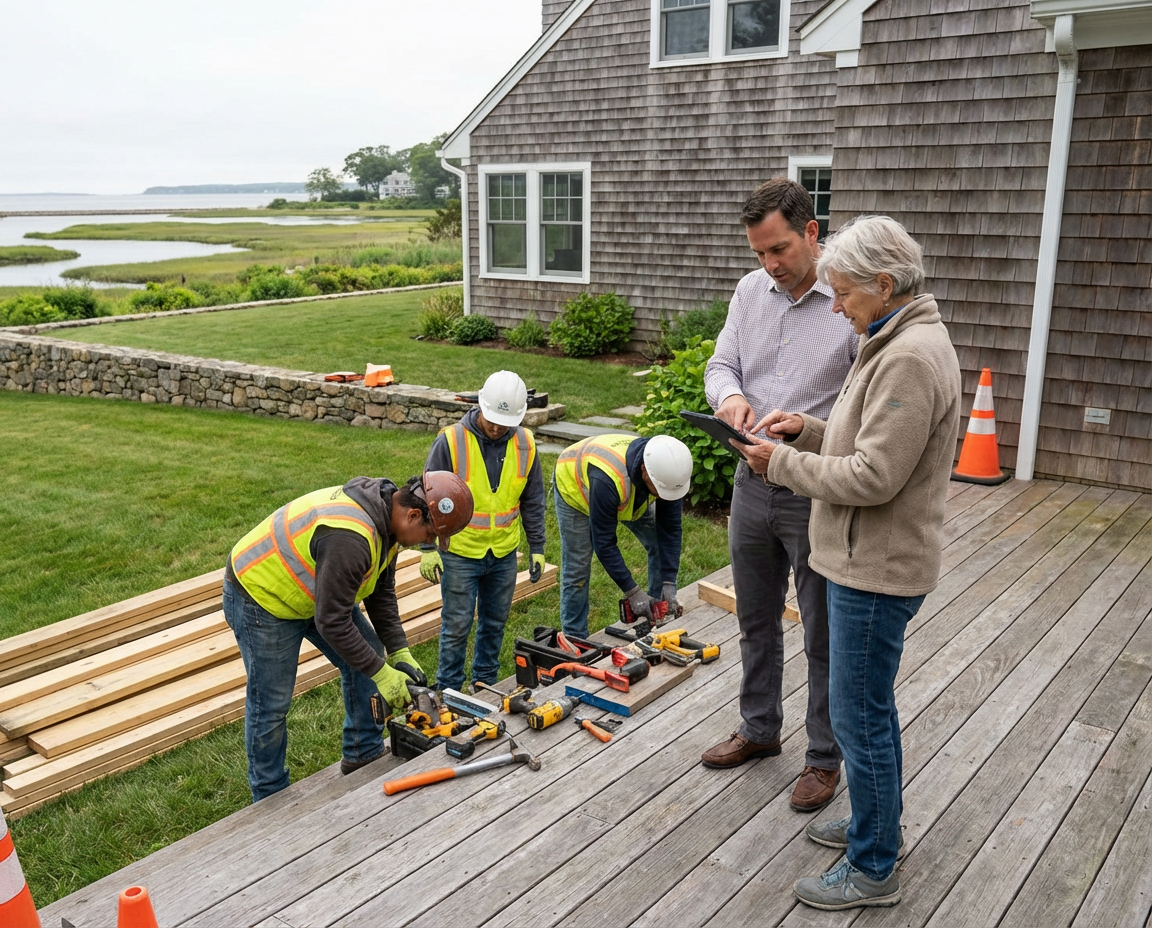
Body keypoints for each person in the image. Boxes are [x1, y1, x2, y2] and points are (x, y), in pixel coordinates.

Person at [746, 215, 961, 909]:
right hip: (865, 561)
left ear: (885, 284)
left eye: (843, 293)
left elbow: (873, 476)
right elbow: (860, 438)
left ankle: (873, 867)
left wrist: (780, 462)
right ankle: (877, 827)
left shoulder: (907, 356)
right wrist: (803, 429)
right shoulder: (893, 337)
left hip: (876, 569)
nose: (834, 307)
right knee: (868, 710)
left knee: (859, 717)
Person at [701, 178, 857, 815]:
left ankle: (824, 757)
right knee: (754, 620)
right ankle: (761, 730)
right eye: (760, 253)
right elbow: (720, 366)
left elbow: (860, 404)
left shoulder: (848, 301)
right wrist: (729, 399)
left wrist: (808, 439)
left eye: (781, 249)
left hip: (813, 491)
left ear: (813, 232)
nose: (770, 265)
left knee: (822, 631)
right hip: (750, 482)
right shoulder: (749, 293)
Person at [223, 471, 473, 802]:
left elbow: (381, 593)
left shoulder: (389, 522)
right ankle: (270, 797)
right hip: (264, 596)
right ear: (414, 514)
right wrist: (383, 673)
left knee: (367, 654)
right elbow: (333, 622)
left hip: (318, 591)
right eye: (429, 533)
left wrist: (399, 652)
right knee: (271, 701)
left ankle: (362, 754)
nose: (427, 542)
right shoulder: (351, 537)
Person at [421, 370, 546, 693]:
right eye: (492, 419)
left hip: (503, 553)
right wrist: (427, 548)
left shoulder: (525, 444)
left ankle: (485, 685)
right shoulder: (450, 441)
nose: (496, 427)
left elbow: (533, 499)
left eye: (504, 422)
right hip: (460, 552)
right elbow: (427, 497)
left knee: (494, 625)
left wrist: (537, 547)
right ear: (480, 406)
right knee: (457, 626)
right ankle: (448, 690)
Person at [553, 432, 693, 638]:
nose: (664, 497)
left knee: (658, 542)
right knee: (577, 569)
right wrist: (633, 593)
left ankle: (657, 613)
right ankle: (575, 638)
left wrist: (669, 582)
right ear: (645, 470)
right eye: (660, 490)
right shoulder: (608, 479)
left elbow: (670, 530)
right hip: (576, 490)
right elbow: (604, 543)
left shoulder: (668, 473)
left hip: (628, 493)